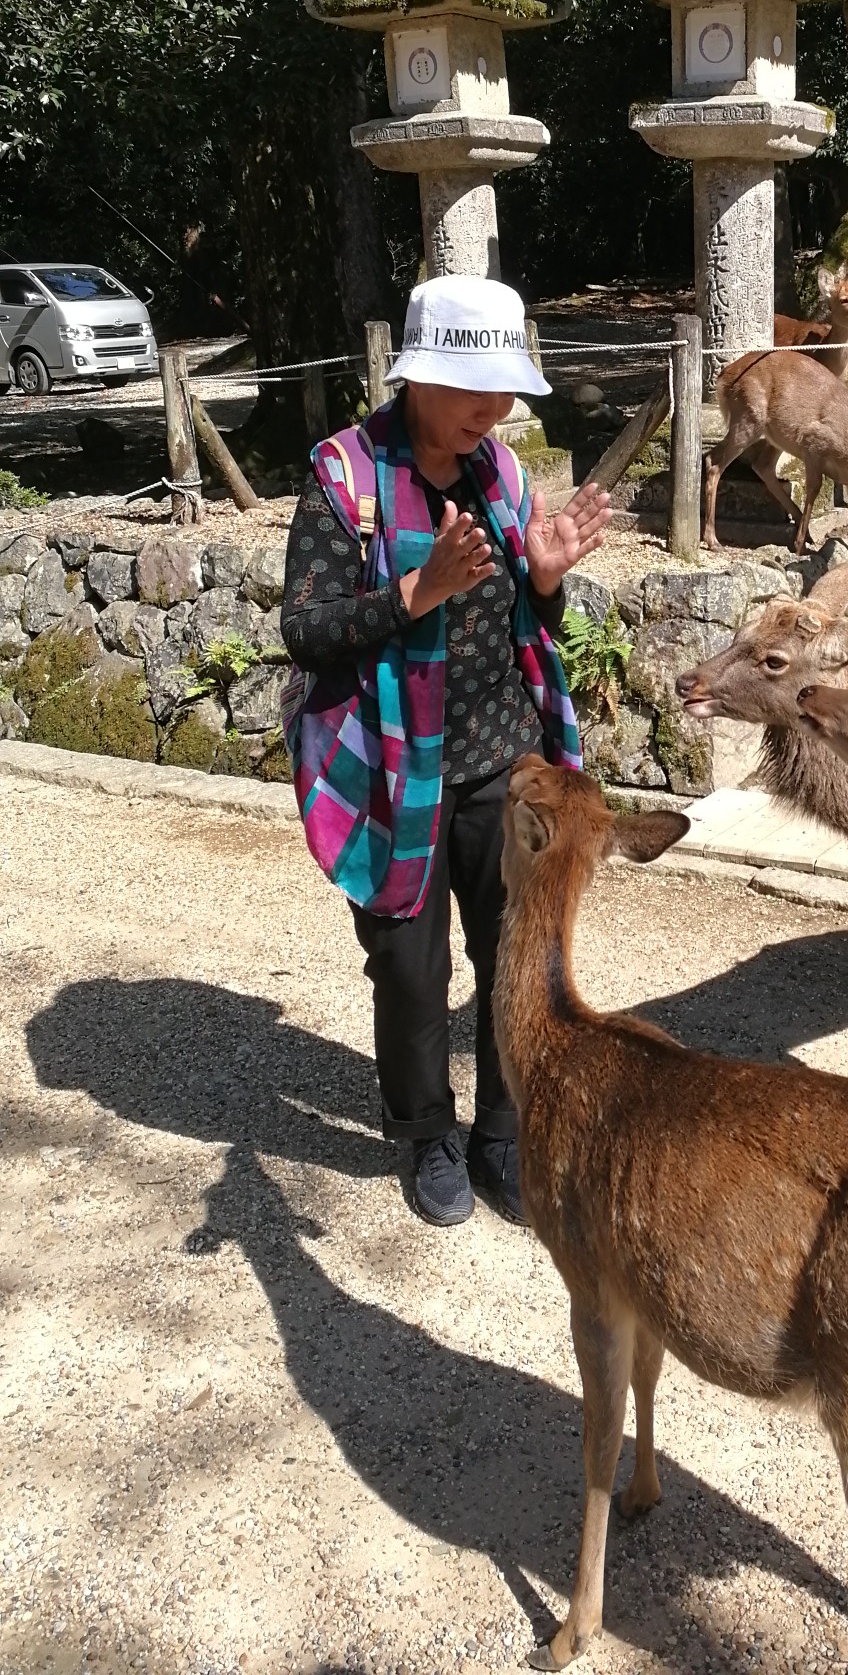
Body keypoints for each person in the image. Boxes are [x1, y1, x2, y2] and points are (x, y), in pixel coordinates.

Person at [280, 276, 609, 1227]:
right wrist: (409, 597)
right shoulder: (346, 478)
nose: (496, 410)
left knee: (514, 952)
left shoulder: (499, 473)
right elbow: (306, 630)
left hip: (504, 764)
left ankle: (500, 1135)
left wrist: (541, 581)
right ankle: (425, 1133)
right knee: (411, 968)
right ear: (418, 379)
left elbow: (519, 619)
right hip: (394, 774)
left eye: (503, 390)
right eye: (476, 388)